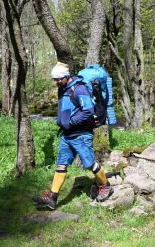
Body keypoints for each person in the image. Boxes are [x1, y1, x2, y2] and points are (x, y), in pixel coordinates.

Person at [33, 62, 113, 210]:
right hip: (67, 135)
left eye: (58, 79)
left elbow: (88, 111)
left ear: (66, 76)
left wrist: (71, 121)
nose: (56, 82)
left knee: (89, 164)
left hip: (81, 135)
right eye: (54, 80)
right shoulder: (62, 89)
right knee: (61, 165)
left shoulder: (79, 89)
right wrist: (63, 122)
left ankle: (106, 186)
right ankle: (52, 198)